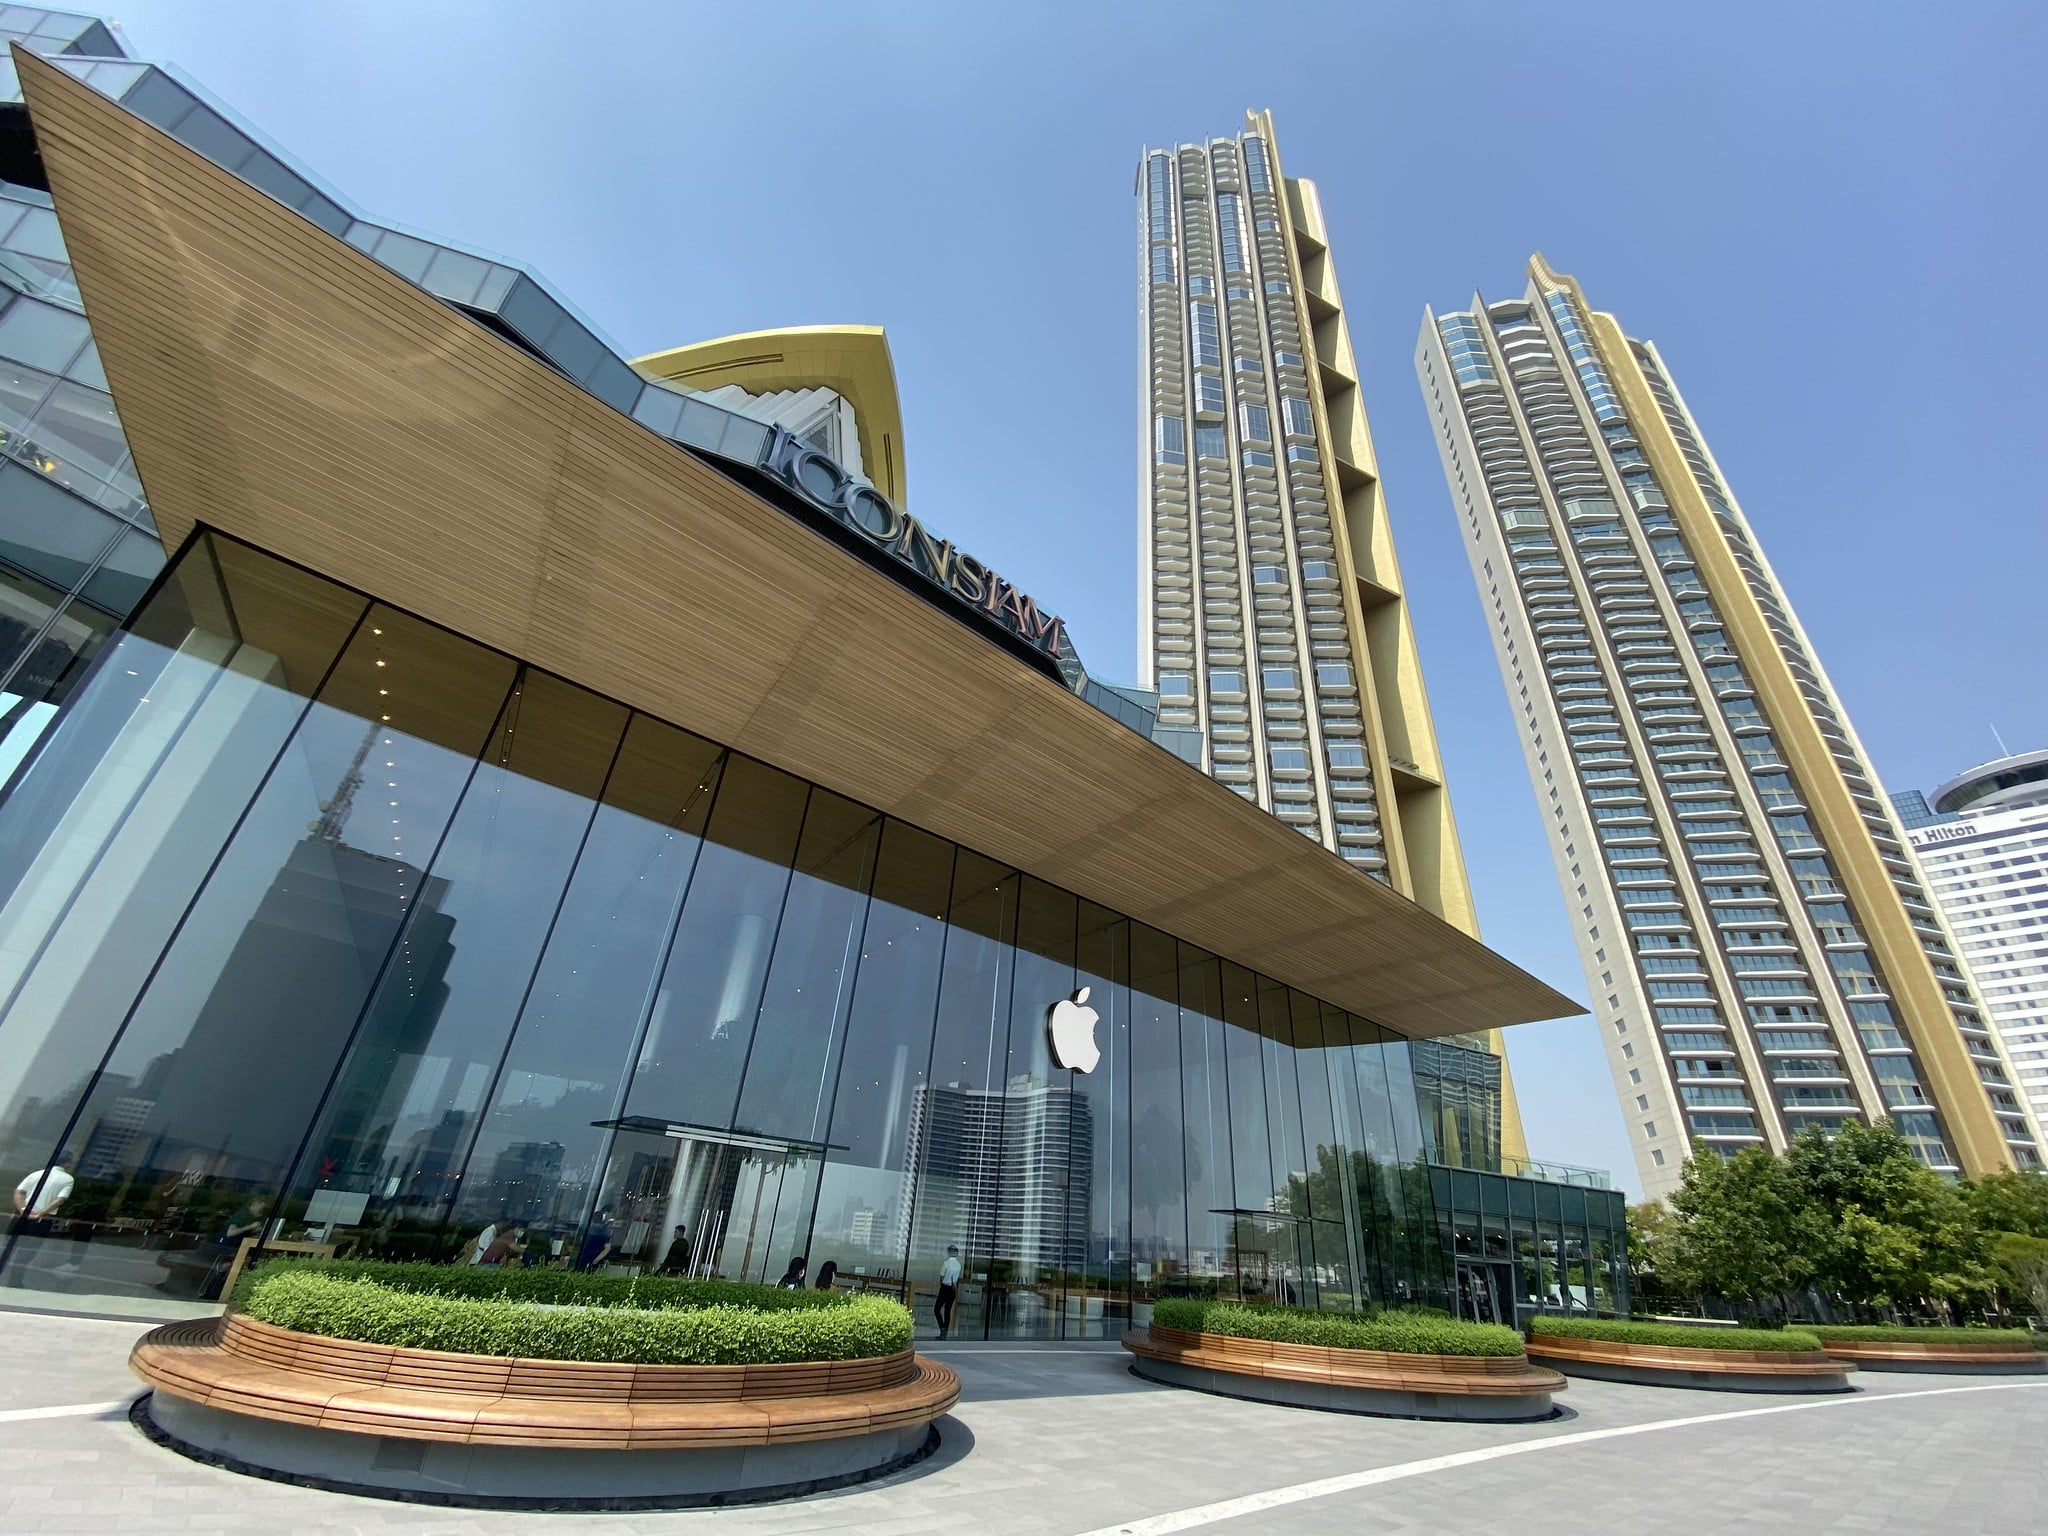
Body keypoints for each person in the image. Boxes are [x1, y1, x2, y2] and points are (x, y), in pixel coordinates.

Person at [11, 1163, 73, 1227]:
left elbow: (19, 1192)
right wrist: (41, 1213)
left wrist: (23, 1209)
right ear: (67, 1164)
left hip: (22, 1215)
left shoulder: (36, 1174)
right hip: (42, 1218)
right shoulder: (68, 1179)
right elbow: (60, 1199)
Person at [935, 1245, 962, 1338]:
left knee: (937, 1309)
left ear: (949, 1252)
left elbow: (942, 1276)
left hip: (945, 1287)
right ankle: (944, 1333)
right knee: (948, 1311)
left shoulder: (946, 1263)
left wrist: (941, 1282)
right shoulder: (958, 1265)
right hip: (953, 1288)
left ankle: (942, 1328)